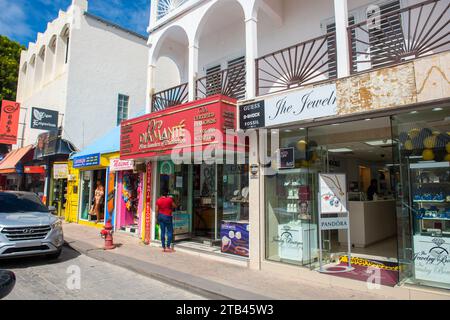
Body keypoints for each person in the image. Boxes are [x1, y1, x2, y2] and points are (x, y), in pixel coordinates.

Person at [156, 189, 177, 253]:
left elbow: (157, 210)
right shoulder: (169, 200)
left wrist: (157, 218)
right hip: (167, 217)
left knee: (163, 231)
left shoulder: (158, 200)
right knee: (169, 232)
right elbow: (175, 206)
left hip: (160, 216)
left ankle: (163, 247)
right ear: (167, 194)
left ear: (161, 194)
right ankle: (168, 246)